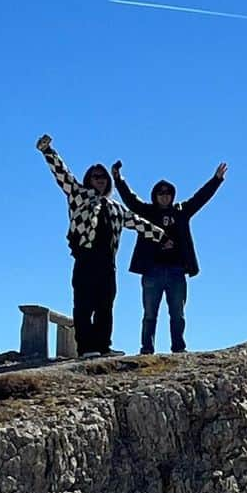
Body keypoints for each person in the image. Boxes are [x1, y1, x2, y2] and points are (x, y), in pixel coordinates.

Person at [36, 134, 166, 358]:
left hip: (108, 263)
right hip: (85, 259)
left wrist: (162, 237)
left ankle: (103, 346)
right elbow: (63, 176)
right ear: (88, 179)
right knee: (84, 305)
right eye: (96, 177)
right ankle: (86, 348)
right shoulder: (79, 196)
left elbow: (136, 222)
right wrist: (48, 151)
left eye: (103, 177)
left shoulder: (116, 207)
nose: (100, 180)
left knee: (106, 305)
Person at [112, 161, 228, 354]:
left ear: (172, 196)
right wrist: (118, 179)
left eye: (167, 193)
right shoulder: (147, 212)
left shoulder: (182, 211)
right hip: (152, 271)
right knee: (150, 314)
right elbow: (130, 200)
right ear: (155, 196)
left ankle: (179, 348)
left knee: (178, 314)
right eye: (160, 193)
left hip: (177, 271)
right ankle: (147, 349)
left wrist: (216, 180)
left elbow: (200, 198)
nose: (164, 197)